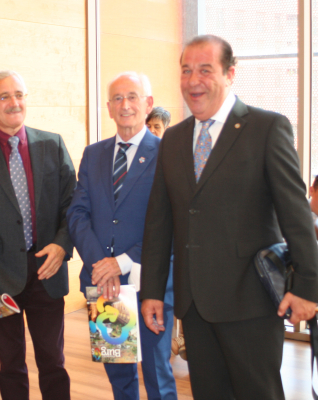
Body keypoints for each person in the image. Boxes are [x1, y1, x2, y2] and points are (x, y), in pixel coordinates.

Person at [141, 34, 318, 400]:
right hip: (194, 305)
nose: (193, 80)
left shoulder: (266, 128)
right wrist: (153, 291)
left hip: (250, 303)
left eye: (205, 70)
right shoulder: (173, 139)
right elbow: (159, 222)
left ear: (230, 74)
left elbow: (297, 216)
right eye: (186, 70)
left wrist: (307, 287)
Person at [0, 70, 76, 400]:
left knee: (53, 361)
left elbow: (73, 205)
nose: (14, 102)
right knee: (10, 364)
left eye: (19, 94)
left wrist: (62, 245)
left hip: (47, 270)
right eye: (4, 96)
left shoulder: (52, 144)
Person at [67, 71, 177, 400]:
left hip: (151, 282)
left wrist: (122, 262)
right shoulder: (93, 154)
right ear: (109, 108)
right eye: (117, 98)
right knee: (119, 373)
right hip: (104, 284)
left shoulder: (168, 154)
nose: (125, 105)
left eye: (132, 97)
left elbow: (174, 222)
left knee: (157, 374)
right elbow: (77, 213)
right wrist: (101, 263)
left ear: (148, 103)